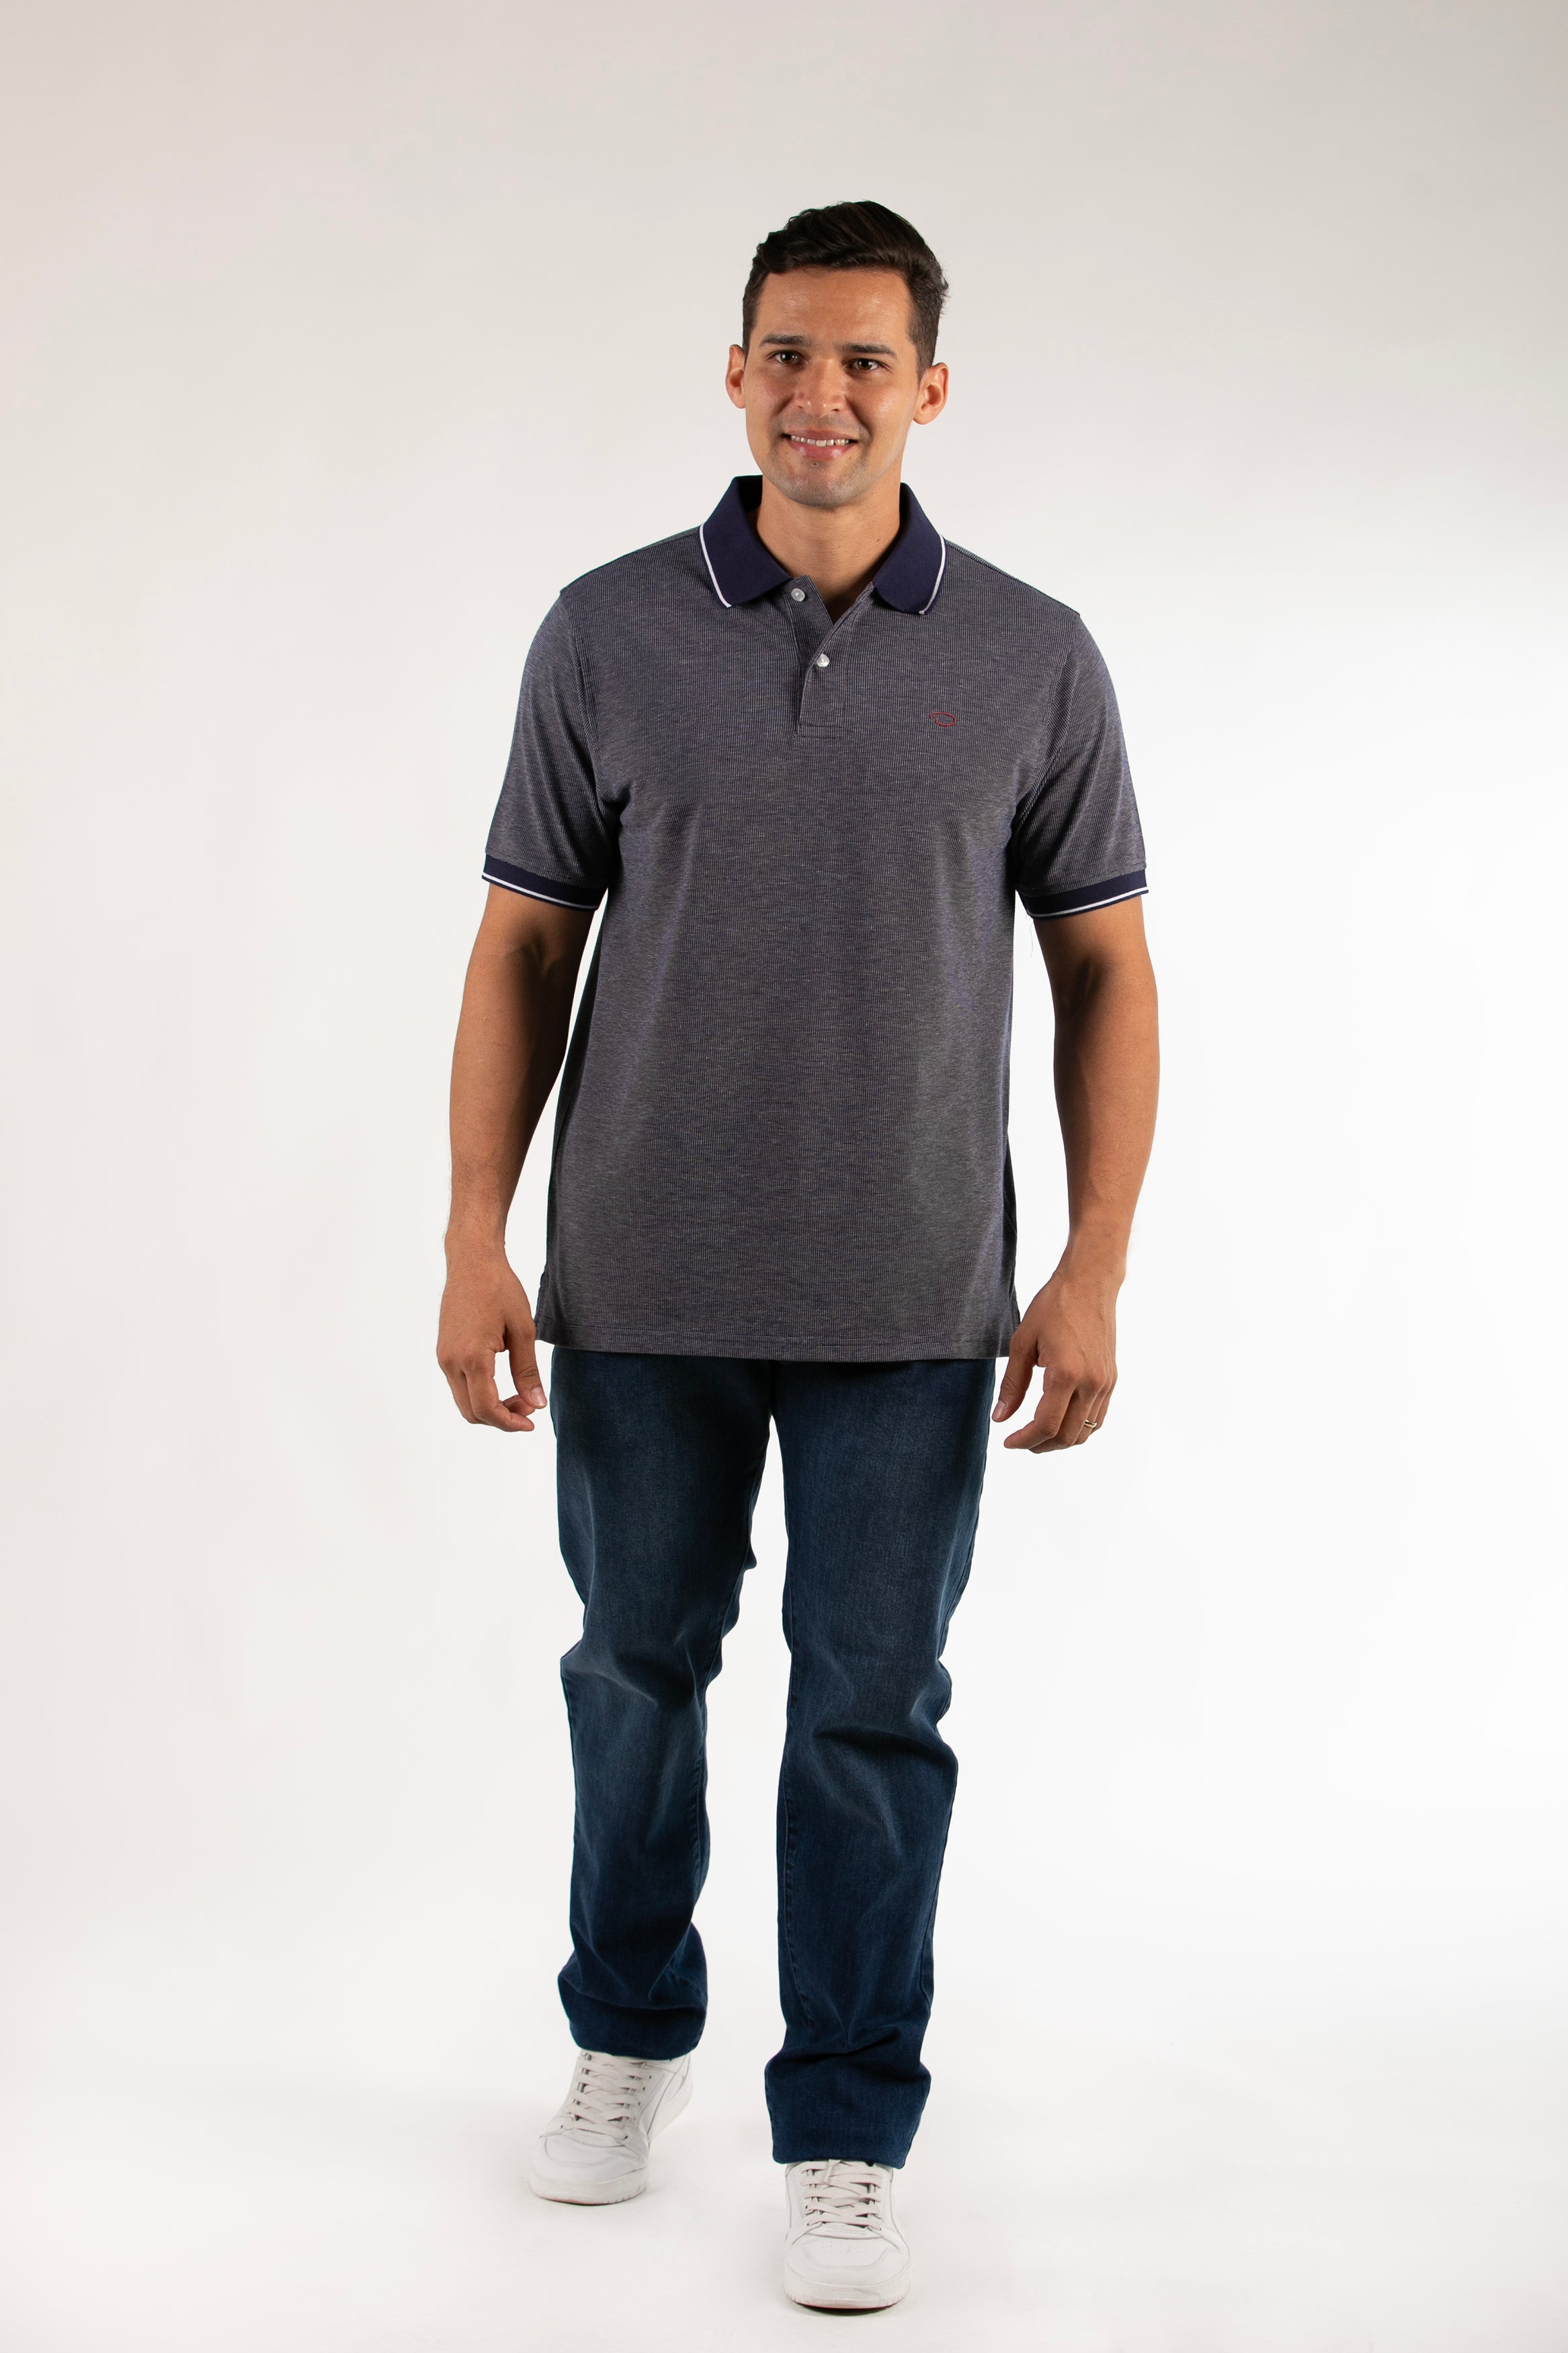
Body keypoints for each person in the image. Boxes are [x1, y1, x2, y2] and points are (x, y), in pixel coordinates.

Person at [436, 199, 1159, 2313]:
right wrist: (473, 1229)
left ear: (929, 386)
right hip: (640, 1276)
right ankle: (626, 2034)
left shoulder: (1032, 653)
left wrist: (1095, 1260)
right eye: (785, 353)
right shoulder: (606, 632)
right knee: (633, 1671)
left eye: (861, 359)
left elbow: (1108, 969)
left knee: (869, 1710)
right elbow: (522, 942)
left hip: (912, 1297)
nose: (818, 394)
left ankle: (844, 2126)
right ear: (735, 372)